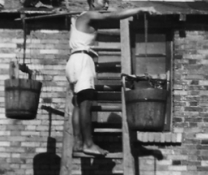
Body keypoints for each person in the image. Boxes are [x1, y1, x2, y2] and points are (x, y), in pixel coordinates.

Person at [66, 0, 156, 155]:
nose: (106, 5)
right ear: (93, 2)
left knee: (78, 104)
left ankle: (78, 143)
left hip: (73, 61)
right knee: (86, 104)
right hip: (82, 60)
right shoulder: (89, 15)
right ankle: (88, 144)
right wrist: (140, 9)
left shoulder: (81, 17)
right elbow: (115, 16)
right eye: (103, 1)